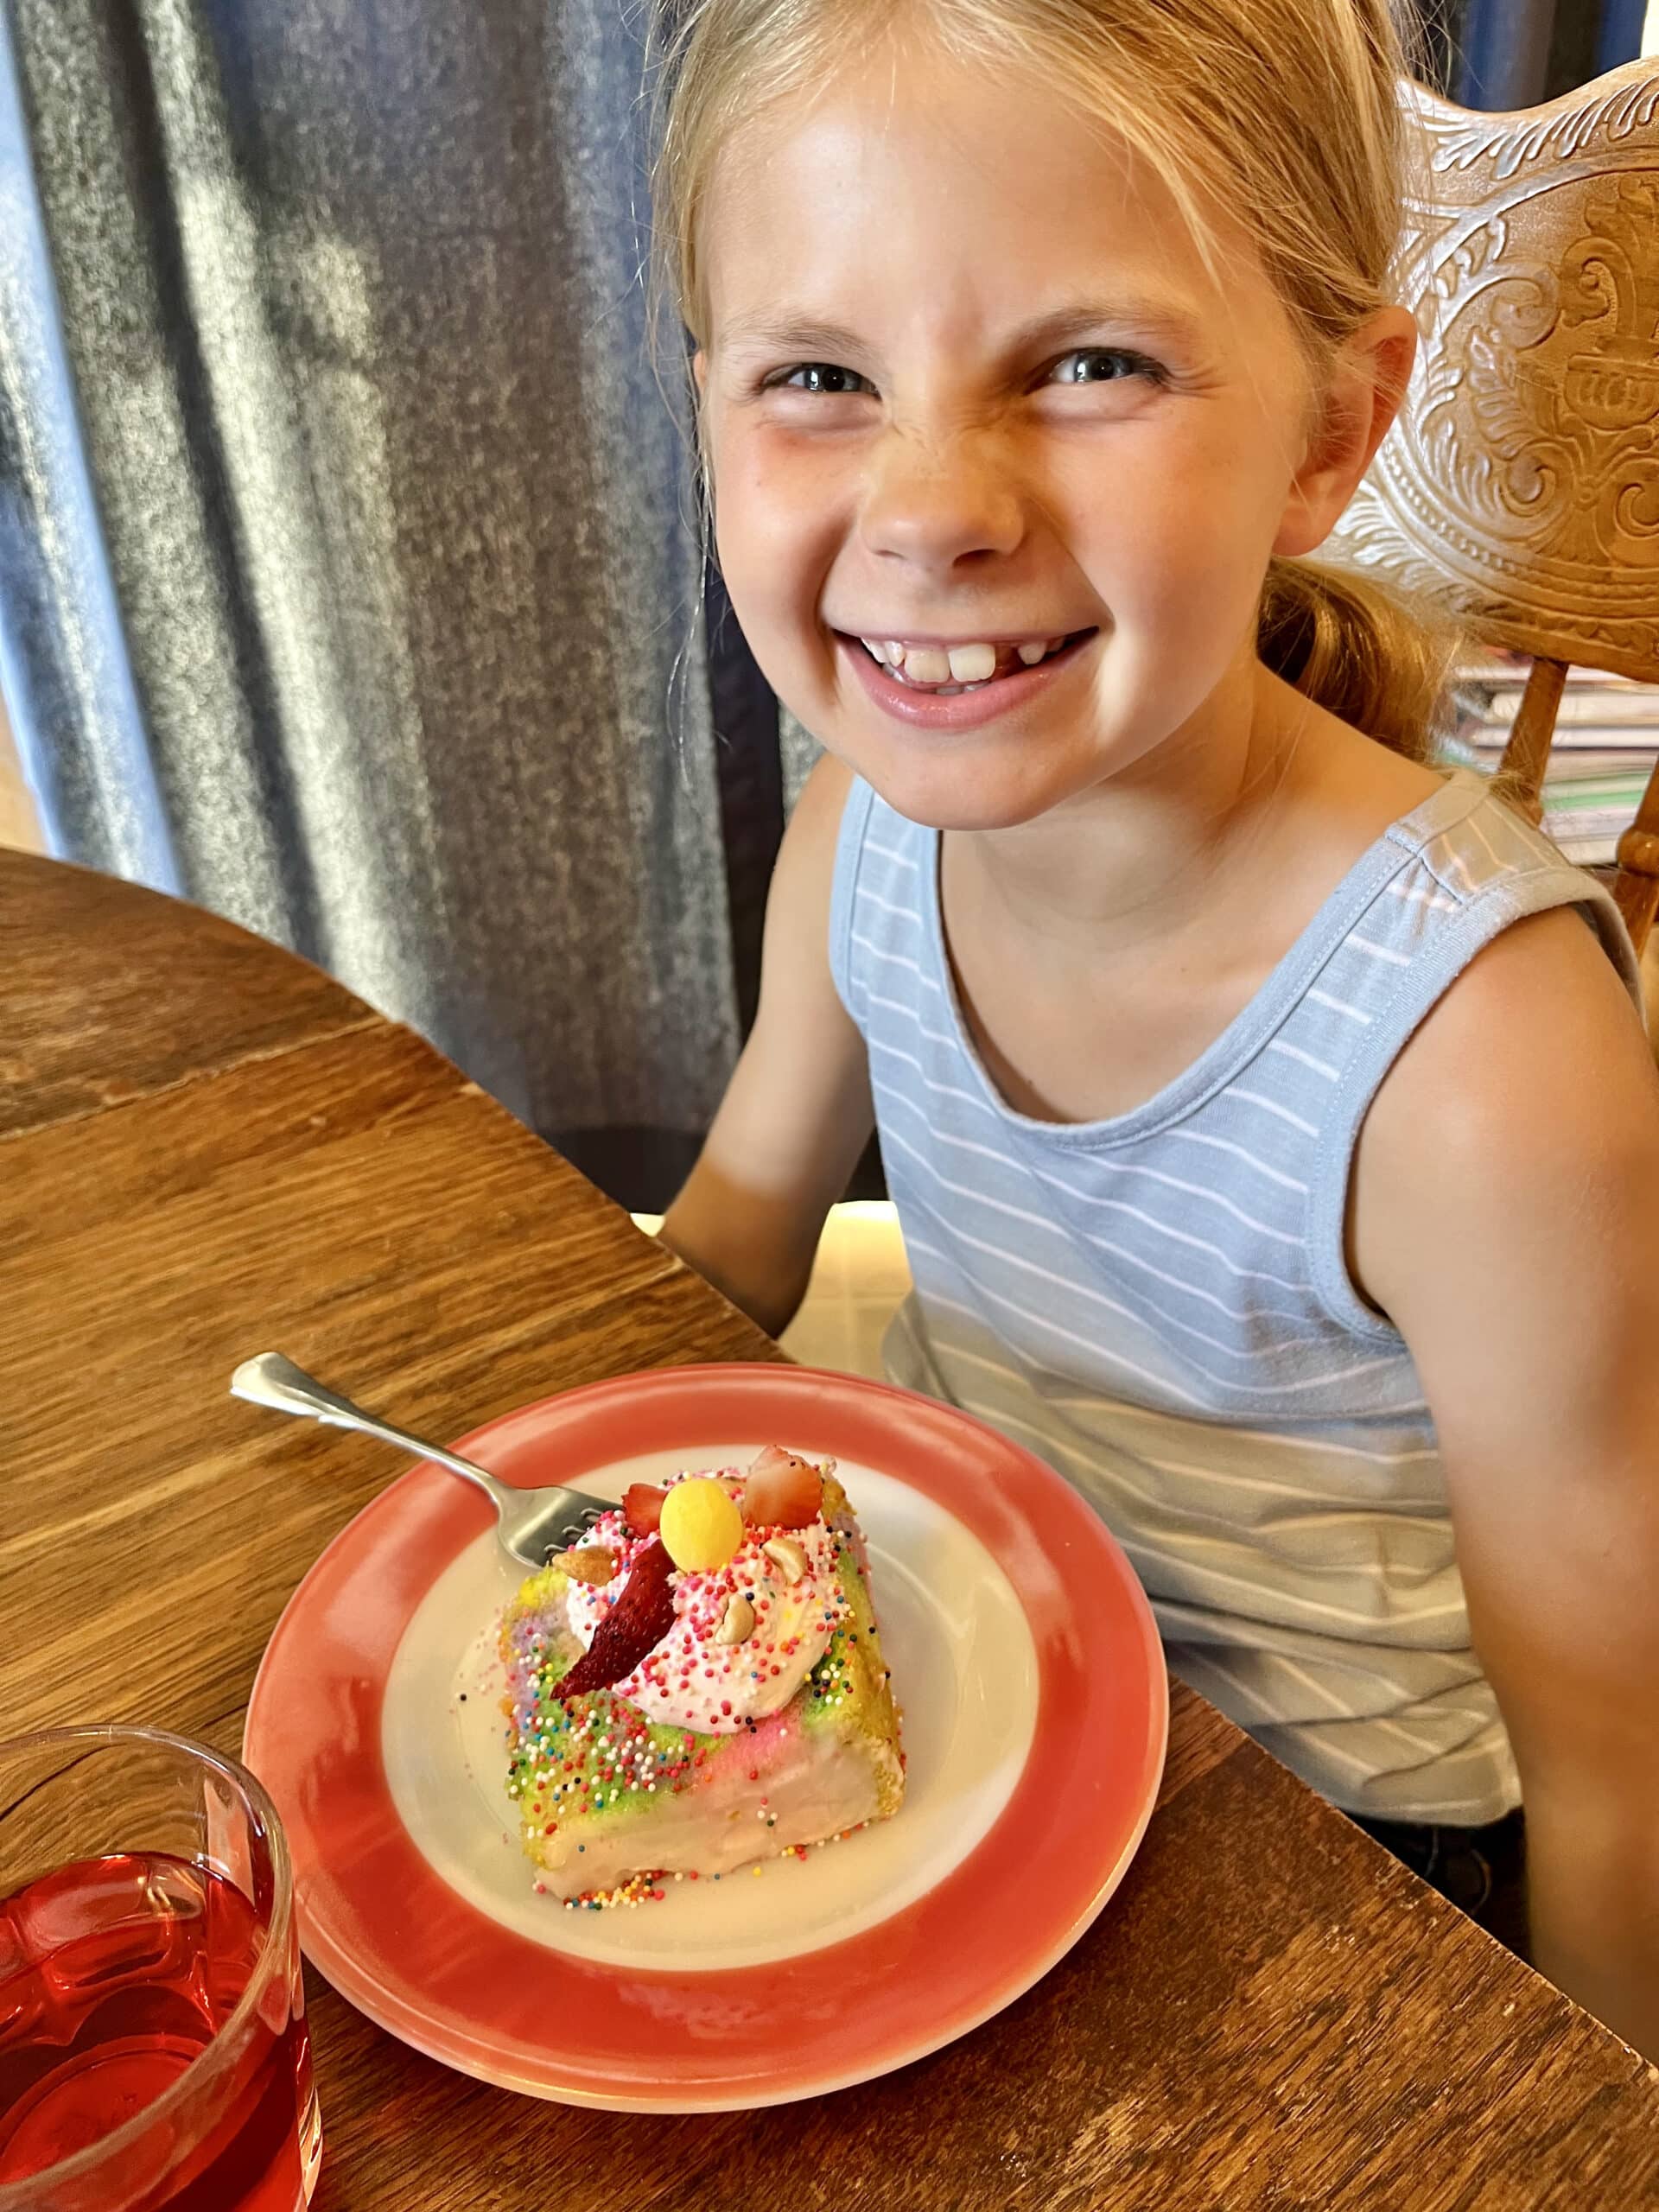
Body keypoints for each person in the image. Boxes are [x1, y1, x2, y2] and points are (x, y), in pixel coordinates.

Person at [645, 0, 1659, 2056]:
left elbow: (1614, 1757)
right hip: (946, 1674)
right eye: (820, 375)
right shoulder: (855, 842)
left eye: (1088, 363)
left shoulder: (1479, 1059)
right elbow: (730, 1247)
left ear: (1329, 430)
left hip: (1354, 1844)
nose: (933, 507)